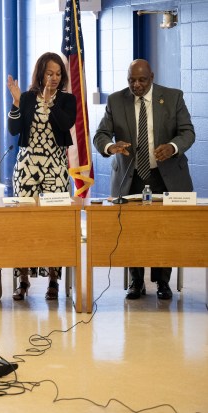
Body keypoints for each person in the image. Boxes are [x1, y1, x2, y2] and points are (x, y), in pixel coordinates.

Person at [93, 59, 195, 300]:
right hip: (131, 176)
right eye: (131, 80)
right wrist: (110, 147)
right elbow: (101, 134)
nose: (136, 85)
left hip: (165, 176)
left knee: (165, 230)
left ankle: (163, 282)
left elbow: (188, 132)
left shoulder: (173, 97)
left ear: (152, 76)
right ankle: (136, 281)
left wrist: (172, 147)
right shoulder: (116, 101)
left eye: (141, 80)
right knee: (131, 231)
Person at [6, 52, 77, 301]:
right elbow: (14, 129)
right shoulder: (25, 98)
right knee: (23, 225)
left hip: (55, 166)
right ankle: (23, 280)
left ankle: (54, 280)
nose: (54, 78)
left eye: (58, 74)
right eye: (50, 73)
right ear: (40, 74)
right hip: (27, 165)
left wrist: (49, 104)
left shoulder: (67, 100)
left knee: (54, 224)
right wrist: (15, 104)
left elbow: (65, 124)